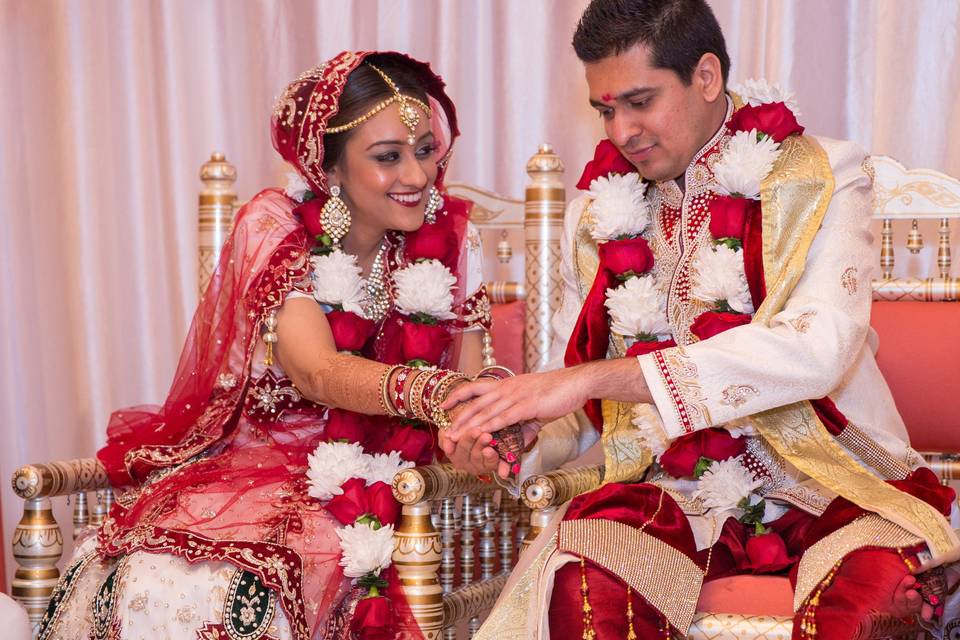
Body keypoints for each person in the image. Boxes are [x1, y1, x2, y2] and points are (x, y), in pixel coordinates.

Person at [440, 2, 960, 638]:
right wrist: (520, 434)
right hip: (669, 490)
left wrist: (594, 380)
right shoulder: (596, 217)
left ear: (706, 77)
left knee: (875, 603)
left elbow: (822, 347)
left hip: (829, 479)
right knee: (585, 592)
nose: (622, 130)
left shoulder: (819, 176)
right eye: (606, 110)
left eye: (640, 101)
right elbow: (573, 394)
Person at [37, 51, 492, 640]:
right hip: (260, 464)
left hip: (399, 479)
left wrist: (481, 432)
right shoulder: (275, 225)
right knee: (165, 577)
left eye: (426, 150)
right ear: (327, 166)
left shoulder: (457, 235)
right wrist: (439, 391)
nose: (417, 176)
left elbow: (474, 391)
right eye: (388, 158)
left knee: (267, 584)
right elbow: (318, 374)